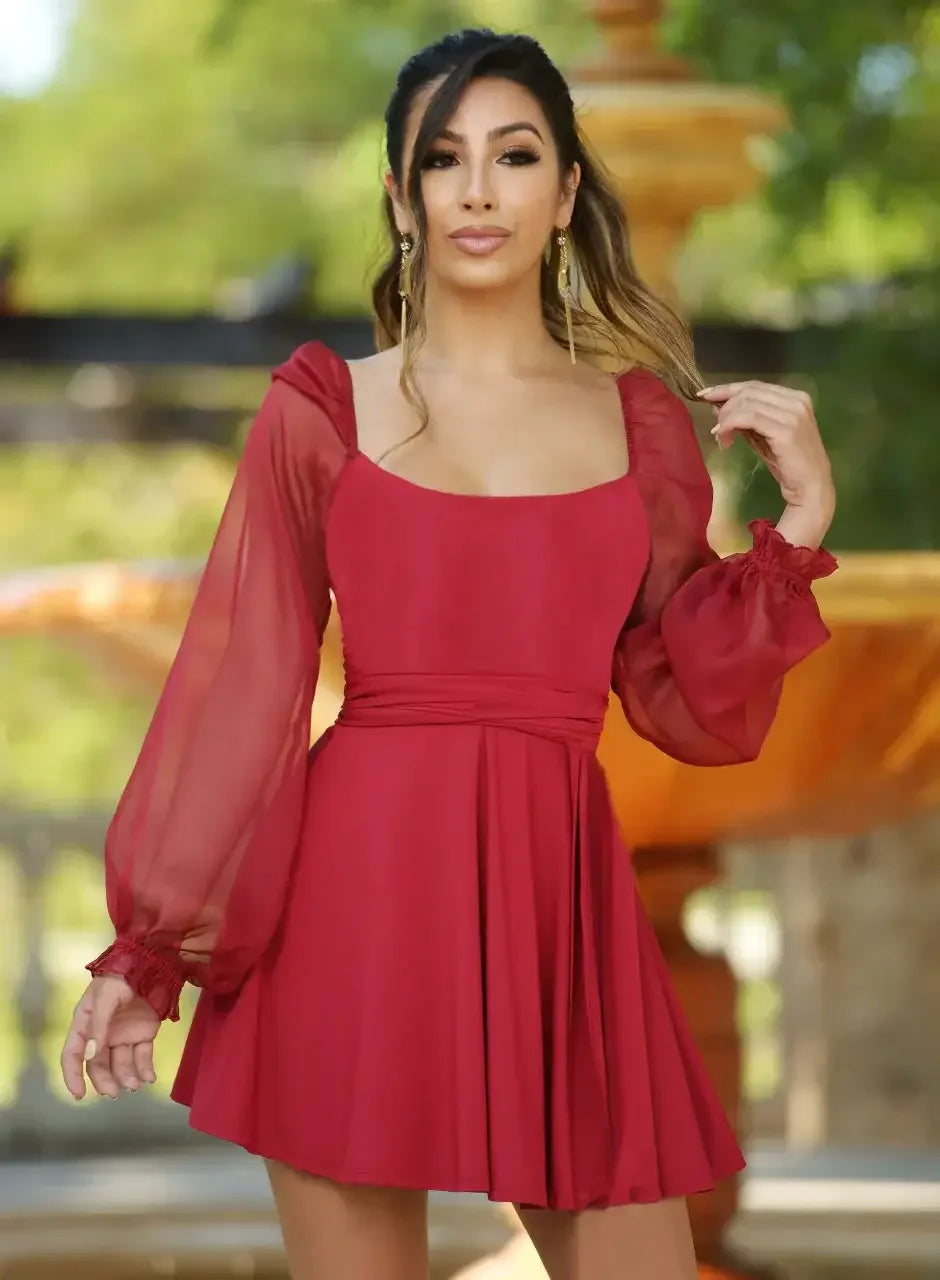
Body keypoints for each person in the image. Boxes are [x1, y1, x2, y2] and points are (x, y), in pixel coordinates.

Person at [59, 27, 837, 1280]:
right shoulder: (322, 408)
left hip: (559, 909)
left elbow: (682, 691)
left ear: (567, 189)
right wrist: (152, 950)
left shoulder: (639, 423)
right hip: (348, 905)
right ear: (401, 195)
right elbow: (245, 685)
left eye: (514, 155)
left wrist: (793, 531)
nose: (478, 189)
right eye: (443, 159)